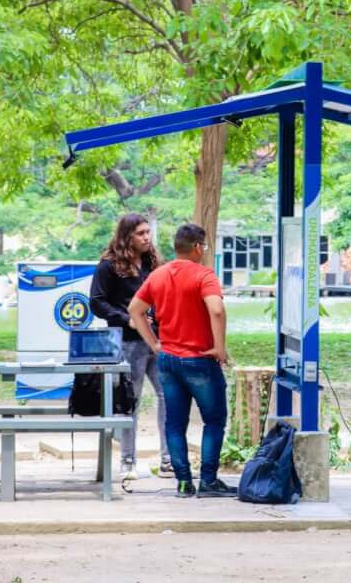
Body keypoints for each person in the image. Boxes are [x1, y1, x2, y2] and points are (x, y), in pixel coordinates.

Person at [129, 223, 235, 498]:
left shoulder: (157, 275)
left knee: (175, 424)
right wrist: (219, 348)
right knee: (213, 421)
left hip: (168, 360)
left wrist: (154, 344)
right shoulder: (204, 275)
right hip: (200, 359)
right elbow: (217, 309)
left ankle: (184, 483)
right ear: (198, 247)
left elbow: (134, 311)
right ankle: (209, 481)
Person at [89, 213, 172, 481]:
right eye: (141, 233)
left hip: (158, 339)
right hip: (127, 341)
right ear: (127, 236)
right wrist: (128, 320)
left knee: (167, 395)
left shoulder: (155, 262)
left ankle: (169, 459)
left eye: (148, 232)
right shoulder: (108, 266)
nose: (147, 237)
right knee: (130, 401)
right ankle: (127, 460)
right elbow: (97, 303)